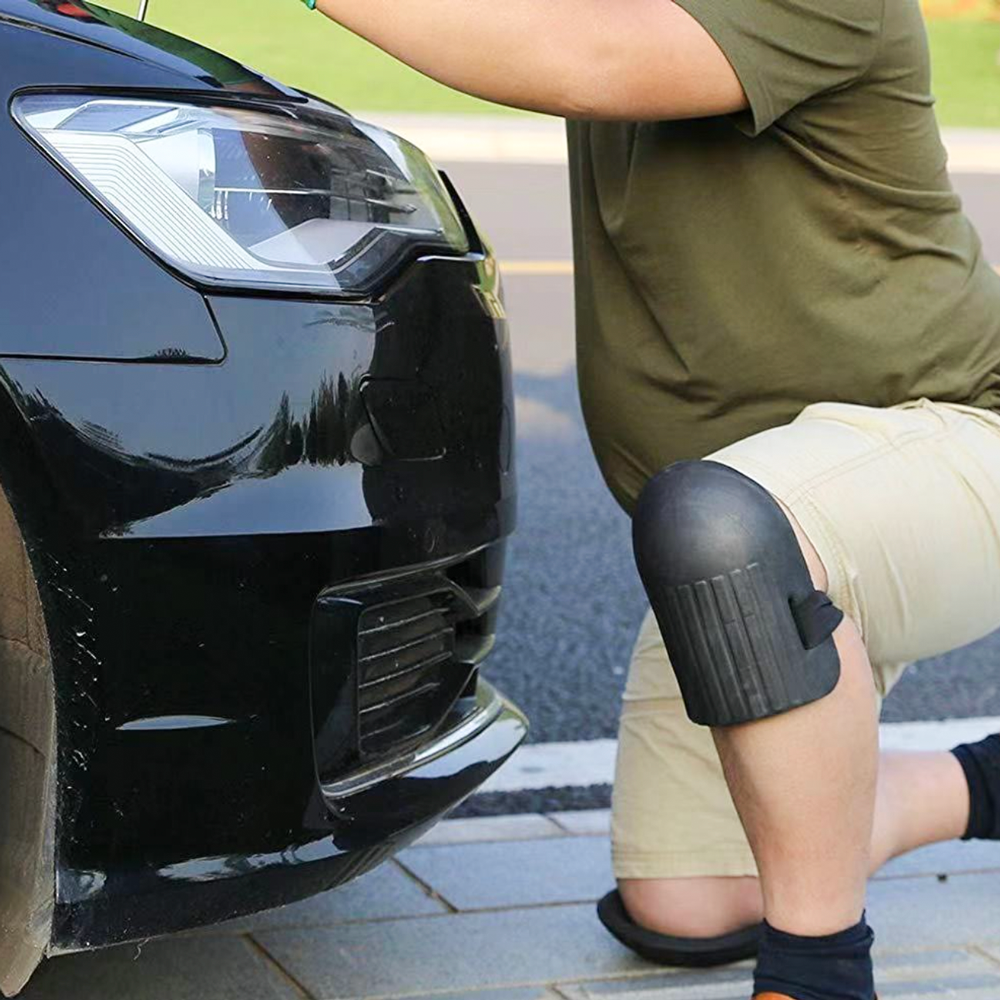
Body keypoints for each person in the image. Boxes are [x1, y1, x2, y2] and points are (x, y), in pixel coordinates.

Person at [303, 2, 1000, 998]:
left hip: (951, 440)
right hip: (753, 516)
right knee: (687, 899)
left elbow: (584, 59)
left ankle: (819, 974)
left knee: (725, 526)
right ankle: (971, 786)